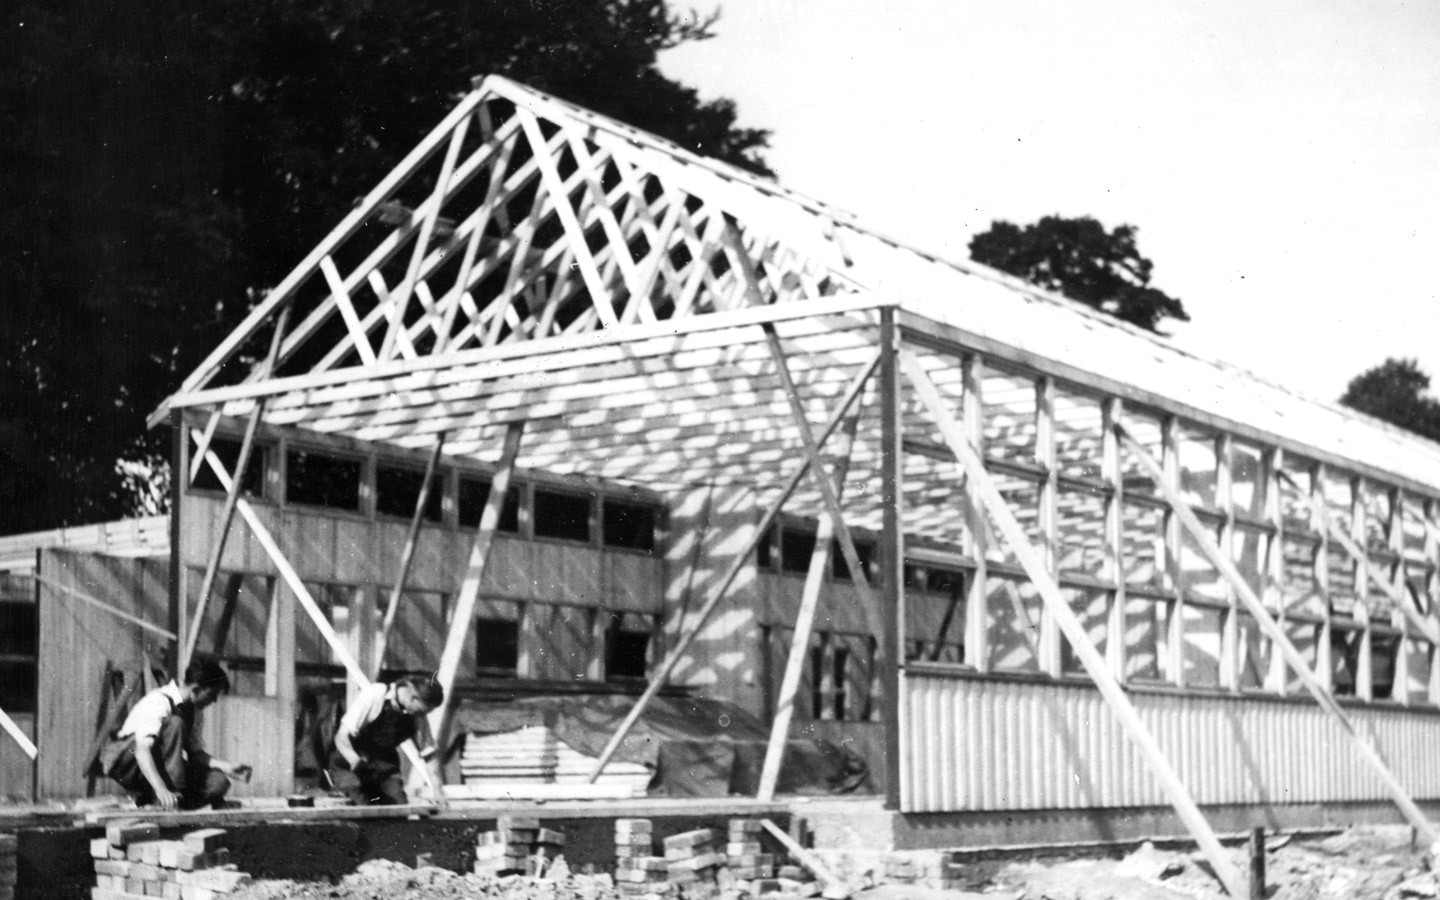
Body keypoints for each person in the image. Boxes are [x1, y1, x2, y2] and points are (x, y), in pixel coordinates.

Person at [101, 655, 252, 810]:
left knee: (219, 782)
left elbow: (196, 754)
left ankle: (159, 802)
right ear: (196, 689)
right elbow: (142, 750)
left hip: (159, 768)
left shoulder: (195, 711)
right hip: (127, 762)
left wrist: (226, 767)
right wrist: (161, 788)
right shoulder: (159, 700)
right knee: (175, 723)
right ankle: (164, 797)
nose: (213, 701)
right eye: (211, 694)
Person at [328, 674, 445, 806]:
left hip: (384, 765)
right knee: (363, 806)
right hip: (349, 761)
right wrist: (355, 760)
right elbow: (342, 736)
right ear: (413, 698)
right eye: (423, 710)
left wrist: (438, 791)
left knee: (397, 808)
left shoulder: (417, 716)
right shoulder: (376, 694)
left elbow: (429, 754)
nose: (423, 715)